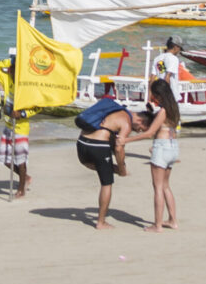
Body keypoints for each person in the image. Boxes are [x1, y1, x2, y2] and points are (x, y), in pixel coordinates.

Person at [72, 93, 143, 234]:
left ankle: (112, 169)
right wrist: (122, 168)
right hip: (98, 146)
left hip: (81, 142)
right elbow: (118, 147)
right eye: (141, 128)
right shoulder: (127, 123)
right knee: (106, 183)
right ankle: (101, 222)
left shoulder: (113, 110)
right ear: (140, 120)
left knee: (95, 165)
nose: (138, 131)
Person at [137, 79, 182, 231]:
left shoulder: (163, 111)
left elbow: (149, 133)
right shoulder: (173, 109)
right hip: (173, 147)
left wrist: (126, 139)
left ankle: (157, 225)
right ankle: (172, 220)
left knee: (157, 187)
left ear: (159, 94)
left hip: (162, 147)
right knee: (166, 186)